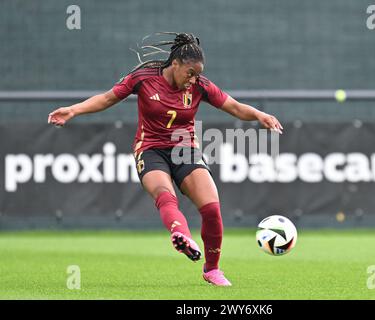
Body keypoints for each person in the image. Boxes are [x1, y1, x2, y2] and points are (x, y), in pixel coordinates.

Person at [47, 32, 283, 287]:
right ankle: (181, 235)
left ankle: (212, 269)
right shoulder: (143, 79)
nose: (193, 79)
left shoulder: (200, 86)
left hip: (185, 149)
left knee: (212, 208)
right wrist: (73, 110)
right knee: (164, 193)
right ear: (175, 64)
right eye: (190, 72)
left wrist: (260, 115)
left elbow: (234, 107)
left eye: (197, 74)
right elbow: (107, 98)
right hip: (150, 149)